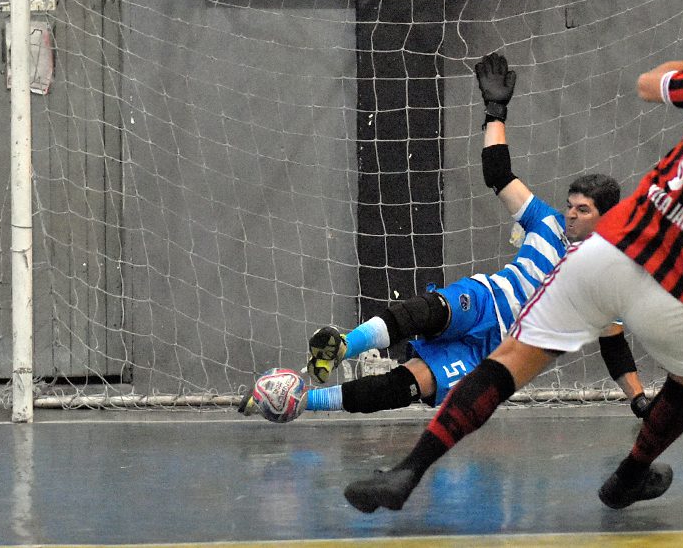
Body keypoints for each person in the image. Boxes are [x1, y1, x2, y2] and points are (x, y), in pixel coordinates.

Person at [343, 34, 683, 513]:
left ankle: (409, 471)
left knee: (512, 358)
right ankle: (630, 476)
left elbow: (647, 84)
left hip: (611, 250)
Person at [239, 53, 649, 421]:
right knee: (429, 310)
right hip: (486, 298)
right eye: (570, 205)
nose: (571, 214)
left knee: (410, 384)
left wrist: (638, 399)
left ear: (606, 217)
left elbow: (614, 349)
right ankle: (344, 345)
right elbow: (498, 174)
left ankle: (300, 401)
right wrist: (495, 112)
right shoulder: (546, 221)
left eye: (583, 210)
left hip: (497, 348)